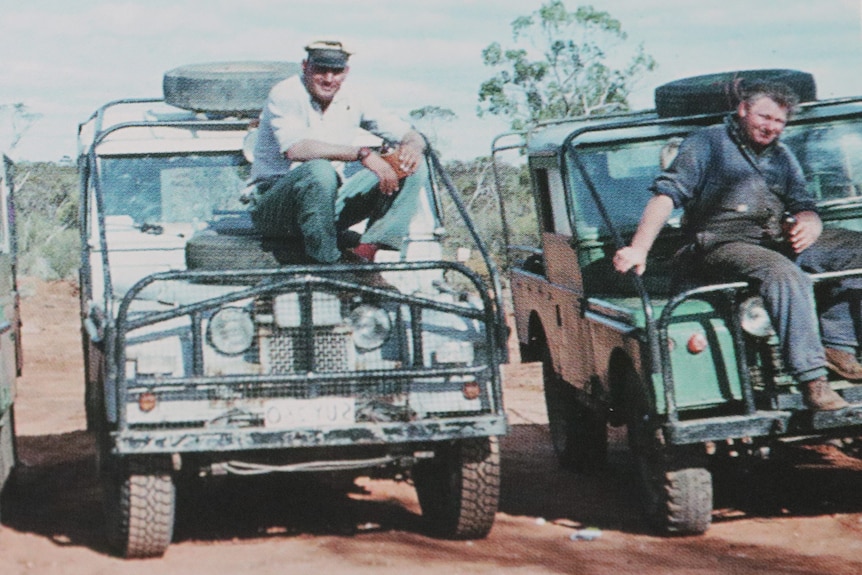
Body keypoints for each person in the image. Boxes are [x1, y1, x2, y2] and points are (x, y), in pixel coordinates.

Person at [613, 80, 862, 411]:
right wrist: (639, 248)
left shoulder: (781, 156)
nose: (771, 127)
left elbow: (803, 203)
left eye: (779, 122)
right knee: (783, 273)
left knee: (854, 249)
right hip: (719, 243)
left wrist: (809, 224)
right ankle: (812, 380)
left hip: (771, 238)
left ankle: (838, 345)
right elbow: (665, 197)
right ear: (743, 109)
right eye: (765, 117)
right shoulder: (706, 144)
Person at [247, 40, 428, 267]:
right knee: (319, 170)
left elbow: (411, 135)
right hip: (277, 209)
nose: (329, 79)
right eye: (321, 70)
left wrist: (412, 147)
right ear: (305, 66)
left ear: (346, 72)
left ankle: (366, 252)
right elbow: (296, 149)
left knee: (411, 164)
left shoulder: (356, 97)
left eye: (337, 71)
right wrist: (362, 154)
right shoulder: (286, 93)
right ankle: (329, 265)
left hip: (327, 205)